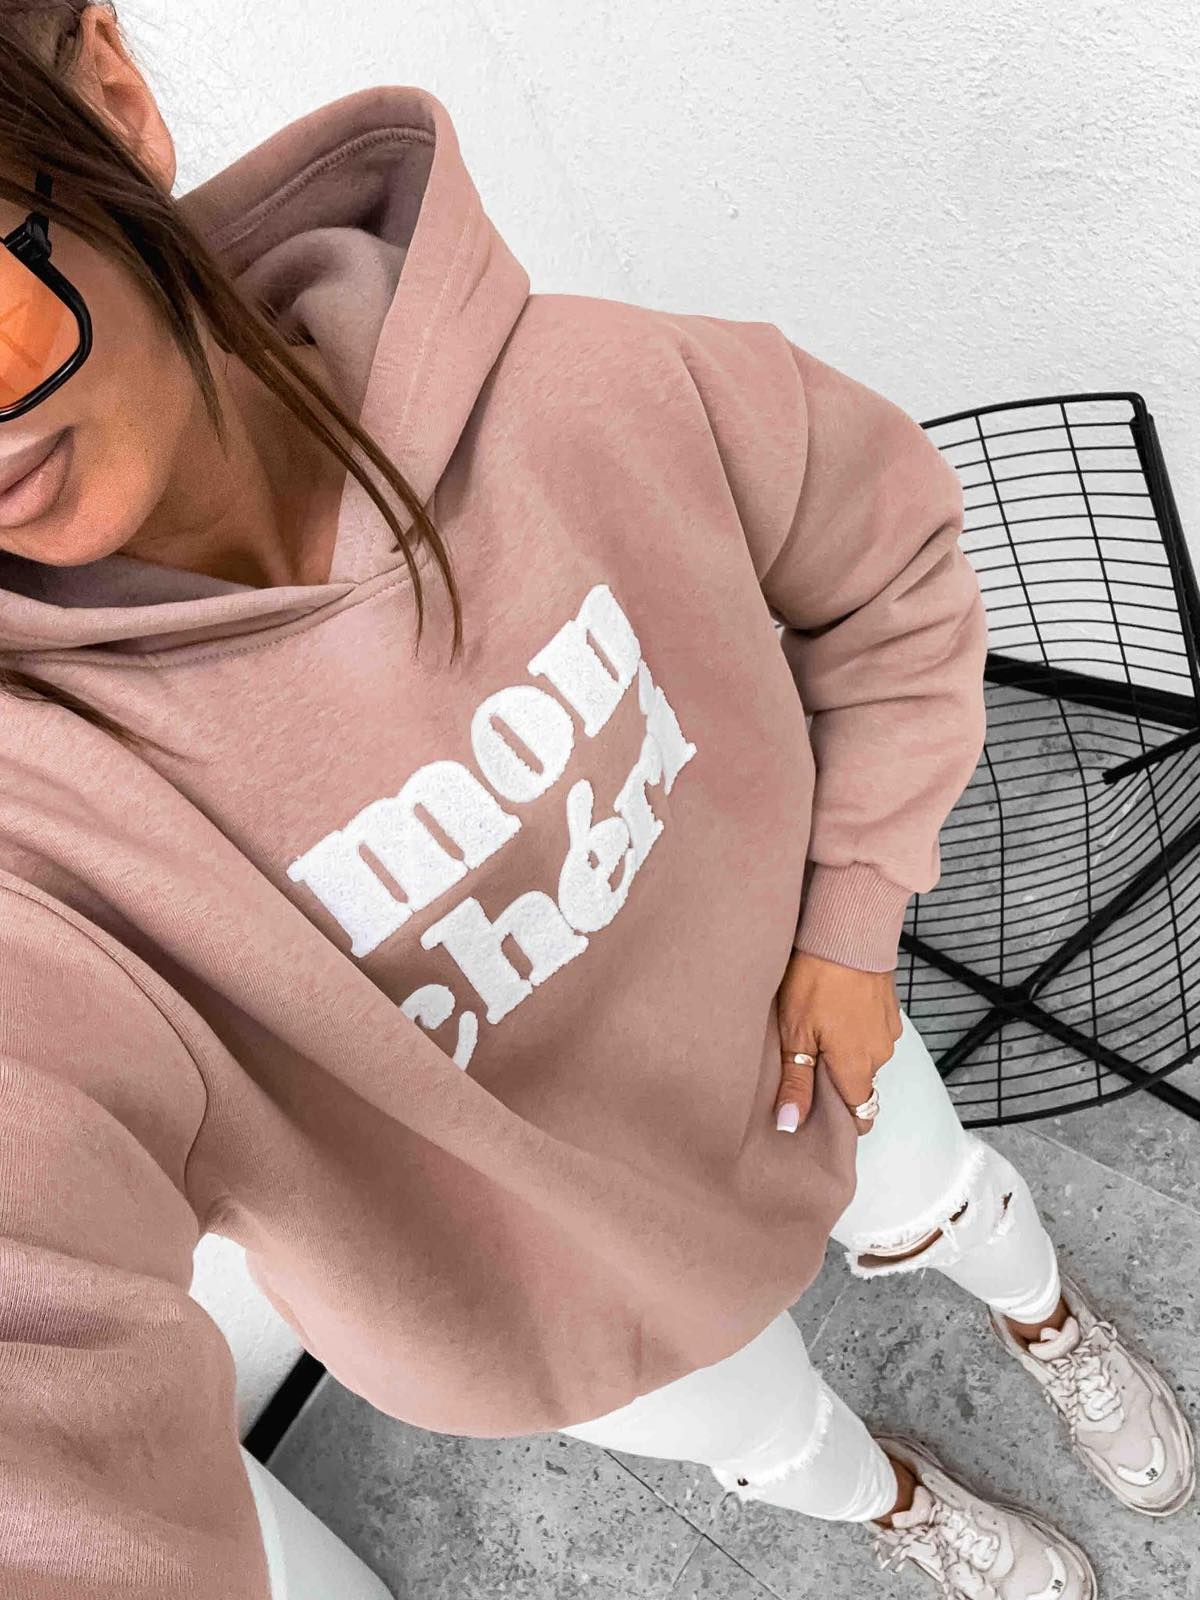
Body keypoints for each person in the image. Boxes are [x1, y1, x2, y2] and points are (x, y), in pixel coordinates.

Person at [0, 5, 1192, 1598]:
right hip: (550, 1309)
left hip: (805, 1050)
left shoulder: (587, 391)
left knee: (955, 1206)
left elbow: (893, 561)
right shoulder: (36, 836)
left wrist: (851, 920)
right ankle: (899, 1505)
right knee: (771, 1443)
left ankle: (1047, 1323)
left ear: (105, 93)